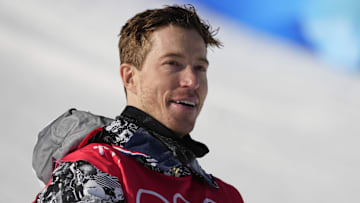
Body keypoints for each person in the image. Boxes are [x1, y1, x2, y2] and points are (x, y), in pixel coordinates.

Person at [32, 4, 244, 203]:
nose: (193, 81)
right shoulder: (95, 170)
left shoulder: (224, 197)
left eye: (200, 68)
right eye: (173, 64)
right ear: (130, 77)